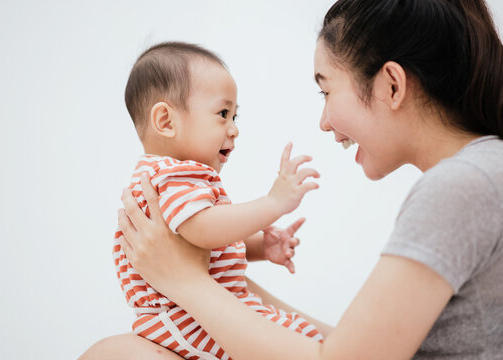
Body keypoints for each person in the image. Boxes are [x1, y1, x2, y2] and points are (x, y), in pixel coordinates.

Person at [80, 0, 503, 358]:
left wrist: (184, 281)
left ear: (391, 86)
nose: (323, 121)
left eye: (326, 90)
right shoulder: (483, 172)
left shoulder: (463, 186)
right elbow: (346, 348)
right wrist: (215, 279)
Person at [112, 41, 324, 360]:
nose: (234, 129)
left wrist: (258, 247)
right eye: (223, 114)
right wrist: (272, 203)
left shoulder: (170, 176)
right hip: (187, 320)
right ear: (166, 121)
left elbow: (204, 243)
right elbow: (202, 230)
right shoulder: (172, 176)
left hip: (193, 312)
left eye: (235, 116)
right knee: (301, 337)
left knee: (304, 336)